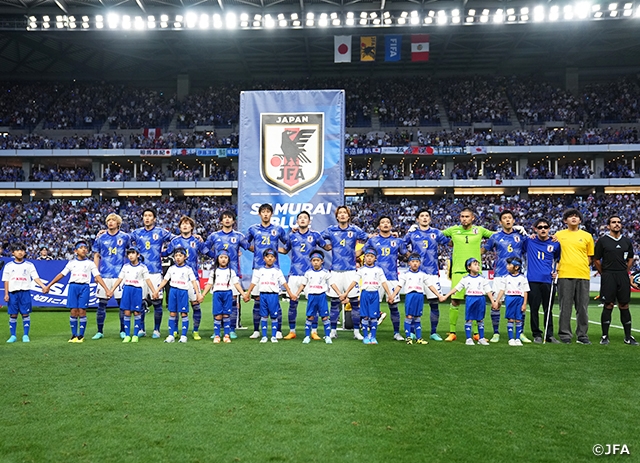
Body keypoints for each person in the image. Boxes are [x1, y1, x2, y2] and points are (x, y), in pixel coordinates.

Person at [441, 208, 494, 342]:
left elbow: (496, 236)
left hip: (475, 272)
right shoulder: (453, 230)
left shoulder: (479, 230)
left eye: (467, 216)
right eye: (462, 216)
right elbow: (437, 234)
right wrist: (417, 228)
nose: (464, 219)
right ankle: (452, 332)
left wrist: (486, 248)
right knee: (455, 301)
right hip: (458, 270)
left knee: (476, 301)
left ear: (472, 218)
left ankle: (476, 333)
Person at [45, 241, 110, 343]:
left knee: (82, 310)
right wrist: (49, 285)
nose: (84, 249)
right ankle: (74, 335)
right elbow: (61, 274)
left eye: (85, 248)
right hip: (73, 287)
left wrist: (106, 289)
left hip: (84, 287)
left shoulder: (90, 263)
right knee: (73, 311)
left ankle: (81, 335)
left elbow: (97, 276)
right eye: (81, 247)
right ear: (75, 251)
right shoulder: (71, 263)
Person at [322, 205, 368, 340]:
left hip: (351, 270)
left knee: (354, 303)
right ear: (337, 216)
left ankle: (356, 332)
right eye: (340, 213)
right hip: (335, 271)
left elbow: (369, 239)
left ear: (348, 216)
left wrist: (360, 251)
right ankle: (333, 331)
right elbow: (317, 238)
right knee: (334, 302)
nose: (342, 215)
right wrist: (326, 246)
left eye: (345, 213)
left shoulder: (355, 230)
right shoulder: (331, 230)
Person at [403, 208, 450, 341]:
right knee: (414, 304)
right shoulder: (412, 234)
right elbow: (401, 245)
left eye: (427, 216)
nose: (424, 218)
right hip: (415, 274)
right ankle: (412, 331)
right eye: (422, 216)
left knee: (434, 303)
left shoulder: (436, 233)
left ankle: (433, 332)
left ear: (430, 219)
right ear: (417, 219)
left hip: (432, 273)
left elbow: (449, 242)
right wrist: (410, 256)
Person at [482, 210, 529, 343]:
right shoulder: (495, 237)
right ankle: (496, 333)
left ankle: (520, 333)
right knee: (496, 304)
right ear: (500, 222)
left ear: (513, 221)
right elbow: (483, 250)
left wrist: (527, 234)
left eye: (510, 218)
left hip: (517, 276)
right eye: (504, 218)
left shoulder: (521, 236)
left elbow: (531, 247)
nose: (507, 220)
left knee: (520, 305)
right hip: (500, 275)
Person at [282, 211, 329, 340]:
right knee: (293, 303)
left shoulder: (315, 235)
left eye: (305, 218)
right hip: (294, 274)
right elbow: (285, 250)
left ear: (309, 221)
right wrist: (271, 247)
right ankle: (292, 331)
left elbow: (326, 247)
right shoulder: (292, 235)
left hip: (311, 275)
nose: (302, 220)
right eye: (300, 218)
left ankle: (314, 331)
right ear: (297, 221)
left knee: (314, 304)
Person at [203, 209, 249, 339]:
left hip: (233, 272)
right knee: (217, 303)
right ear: (221, 221)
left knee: (233, 302)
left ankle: (231, 329)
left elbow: (248, 246)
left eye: (230, 217)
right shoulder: (214, 236)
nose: (227, 219)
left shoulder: (239, 236)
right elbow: (204, 248)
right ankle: (217, 330)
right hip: (218, 273)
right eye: (225, 217)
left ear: (233, 221)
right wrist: (215, 256)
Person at [130, 208, 175, 339]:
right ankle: (141, 329)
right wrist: (105, 231)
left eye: (150, 216)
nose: (147, 218)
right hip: (140, 271)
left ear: (154, 219)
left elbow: (176, 239)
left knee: (157, 302)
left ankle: (156, 329)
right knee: (140, 302)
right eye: (145, 215)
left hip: (155, 271)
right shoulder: (137, 232)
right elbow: (122, 238)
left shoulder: (160, 232)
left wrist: (166, 252)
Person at [593, 215, 638, 346]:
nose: (616, 224)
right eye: (613, 222)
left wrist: (625, 271)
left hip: (622, 275)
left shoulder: (626, 241)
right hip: (608, 275)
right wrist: (604, 272)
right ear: (608, 226)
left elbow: (630, 258)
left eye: (619, 222)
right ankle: (604, 336)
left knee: (624, 305)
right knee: (608, 304)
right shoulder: (603, 241)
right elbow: (596, 259)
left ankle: (628, 337)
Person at [245, 204, 288, 339]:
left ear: (271, 214)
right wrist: (256, 250)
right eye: (263, 212)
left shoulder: (278, 229)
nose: (265, 214)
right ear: (259, 214)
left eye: (268, 212)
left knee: (275, 300)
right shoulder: (253, 229)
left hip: (274, 269)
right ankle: (256, 330)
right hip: (258, 267)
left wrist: (280, 250)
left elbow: (288, 243)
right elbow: (245, 243)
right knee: (257, 300)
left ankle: (278, 330)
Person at [163, 216, 208, 340]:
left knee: (195, 305)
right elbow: (166, 253)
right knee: (176, 307)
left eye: (187, 224)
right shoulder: (175, 241)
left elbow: (207, 252)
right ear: (179, 227)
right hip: (178, 279)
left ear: (192, 227)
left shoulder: (197, 240)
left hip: (192, 278)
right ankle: (175, 331)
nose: (185, 226)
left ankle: (195, 330)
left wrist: (227, 253)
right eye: (182, 224)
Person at [555, 208, 595, 344]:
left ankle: (582, 335)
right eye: (570, 216)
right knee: (565, 307)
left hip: (582, 274)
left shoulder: (587, 236)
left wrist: (581, 265)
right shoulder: (558, 235)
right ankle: (565, 334)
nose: (573, 218)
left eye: (576, 216)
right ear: (565, 220)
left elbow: (590, 256)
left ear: (580, 220)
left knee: (582, 307)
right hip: (564, 273)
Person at [365, 216, 407, 341]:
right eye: (382, 222)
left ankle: (396, 333)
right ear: (378, 226)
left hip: (392, 277)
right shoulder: (372, 241)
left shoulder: (397, 241)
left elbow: (406, 255)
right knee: (373, 306)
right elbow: (362, 253)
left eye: (388, 222)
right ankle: (371, 333)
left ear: (391, 226)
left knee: (394, 306)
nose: (385, 224)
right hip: (376, 278)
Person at [92, 213, 132, 340]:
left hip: (119, 275)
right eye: (108, 220)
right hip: (104, 275)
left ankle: (123, 330)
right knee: (102, 304)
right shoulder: (101, 237)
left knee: (122, 304)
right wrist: (96, 272)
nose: (110, 222)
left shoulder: (125, 237)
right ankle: (99, 331)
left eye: (113, 220)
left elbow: (131, 252)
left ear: (118, 223)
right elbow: (96, 255)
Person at [390, 253, 444, 345]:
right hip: (410, 296)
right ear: (409, 263)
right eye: (413, 261)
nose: (415, 263)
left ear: (420, 263)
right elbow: (399, 286)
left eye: (417, 262)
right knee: (409, 316)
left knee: (418, 317)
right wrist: (392, 296)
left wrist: (439, 295)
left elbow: (430, 286)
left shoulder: (423, 275)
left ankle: (419, 338)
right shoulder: (405, 274)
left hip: (419, 296)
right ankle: (408, 337)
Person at [243, 249, 296, 343]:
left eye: (272, 257)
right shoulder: (260, 270)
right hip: (263, 295)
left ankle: (274, 336)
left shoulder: (277, 271)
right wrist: (248, 293)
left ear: (275, 259)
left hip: (273, 296)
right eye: (268, 257)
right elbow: (253, 282)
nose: (270, 259)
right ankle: (264, 336)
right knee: (264, 316)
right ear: (264, 259)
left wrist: (290, 294)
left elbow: (284, 283)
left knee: (274, 316)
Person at [440, 257, 496, 346]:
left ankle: (481, 338)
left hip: (480, 299)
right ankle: (468, 338)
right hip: (470, 299)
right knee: (469, 319)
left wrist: (493, 301)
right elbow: (456, 288)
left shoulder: (482, 278)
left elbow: (488, 290)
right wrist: (446, 296)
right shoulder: (465, 279)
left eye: (478, 265)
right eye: (475, 264)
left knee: (480, 319)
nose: (477, 266)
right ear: (469, 267)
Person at [107, 247, 157, 343]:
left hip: (137, 290)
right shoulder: (125, 266)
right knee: (126, 312)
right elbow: (119, 279)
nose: (130, 255)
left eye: (133, 253)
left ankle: (135, 335)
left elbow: (148, 280)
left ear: (138, 255)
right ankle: (127, 335)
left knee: (137, 312)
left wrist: (154, 291)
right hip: (127, 290)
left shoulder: (142, 267)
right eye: (129, 253)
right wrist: (111, 290)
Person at [343, 246, 393, 344]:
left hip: (374, 294)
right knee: (365, 316)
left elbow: (384, 282)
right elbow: (354, 282)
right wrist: (346, 292)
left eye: (371, 256)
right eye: (367, 256)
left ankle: (373, 337)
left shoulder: (379, 270)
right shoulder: (361, 270)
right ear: (364, 257)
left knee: (373, 317)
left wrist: (389, 294)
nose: (369, 258)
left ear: (375, 258)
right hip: (365, 294)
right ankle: (366, 337)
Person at [523, 218, 561, 344]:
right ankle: (537, 334)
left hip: (548, 280)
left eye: (545, 227)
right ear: (535, 229)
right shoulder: (529, 241)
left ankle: (549, 334)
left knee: (548, 309)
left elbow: (558, 259)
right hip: (533, 280)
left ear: (549, 229)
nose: (543, 229)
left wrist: (556, 272)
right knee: (534, 309)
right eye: (540, 227)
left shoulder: (555, 243)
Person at [156, 247, 204, 343]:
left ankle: (183, 336)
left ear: (185, 257)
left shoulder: (188, 269)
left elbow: (193, 282)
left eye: (180, 255)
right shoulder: (171, 268)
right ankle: (171, 335)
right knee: (172, 313)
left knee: (184, 313)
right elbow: (165, 280)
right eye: (176, 256)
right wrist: (157, 290)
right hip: (173, 291)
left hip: (183, 292)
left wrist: (198, 293)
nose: (178, 257)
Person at [2, 242, 47, 343]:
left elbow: (35, 277)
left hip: (25, 293)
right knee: (13, 315)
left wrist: (43, 286)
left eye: (22, 250)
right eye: (17, 250)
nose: (20, 252)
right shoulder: (8, 266)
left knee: (25, 314)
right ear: (13, 253)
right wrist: (6, 294)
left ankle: (25, 335)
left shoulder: (29, 265)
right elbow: (6, 280)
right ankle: (13, 336)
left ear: (25, 252)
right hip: (13, 293)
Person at [201, 250, 248, 344]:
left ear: (228, 259)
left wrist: (244, 295)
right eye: (221, 257)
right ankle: (217, 335)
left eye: (225, 258)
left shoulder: (231, 271)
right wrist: (203, 295)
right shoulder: (214, 271)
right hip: (217, 294)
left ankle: (226, 335)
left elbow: (236, 284)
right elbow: (209, 284)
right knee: (218, 315)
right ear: (217, 259)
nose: (223, 259)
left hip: (227, 294)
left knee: (226, 315)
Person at [293, 250, 333, 344]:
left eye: (317, 260)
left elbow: (332, 284)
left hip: (321, 296)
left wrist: (339, 294)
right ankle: (307, 336)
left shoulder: (325, 273)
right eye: (314, 260)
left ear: (322, 261)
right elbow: (303, 284)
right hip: (311, 297)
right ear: (311, 261)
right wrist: (297, 294)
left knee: (325, 317)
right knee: (310, 316)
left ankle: (327, 337)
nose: (315, 262)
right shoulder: (308, 273)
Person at [493, 257, 530, 346]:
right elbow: (502, 290)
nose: (507, 266)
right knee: (510, 319)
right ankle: (511, 339)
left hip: (519, 299)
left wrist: (524, 304)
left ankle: (518, 338)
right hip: (510, 298)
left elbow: (525, 291)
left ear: (516, 267)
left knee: (518, 319)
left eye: (509, 264)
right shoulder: (505, 278)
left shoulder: (522, 278)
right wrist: (497, 301)